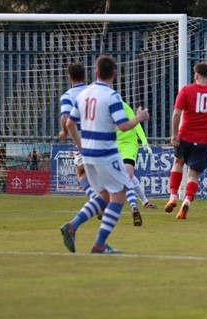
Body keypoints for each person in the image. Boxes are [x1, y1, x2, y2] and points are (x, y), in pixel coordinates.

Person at [61, 55, 149, 254]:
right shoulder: (112, 97)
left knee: (103, 196)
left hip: (88, 154)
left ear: (95, 73)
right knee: (119, 196)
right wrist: (139, 117)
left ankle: (72, 226)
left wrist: (80, 146)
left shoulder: (83, 95)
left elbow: (69, 124)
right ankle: (99, 244)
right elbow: (124, 125)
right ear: (115, 74)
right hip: (106, 153)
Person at [164, 62, 207, 220]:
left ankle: (173, 195)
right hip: (203, 141)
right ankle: (186, 200)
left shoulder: (186, 90)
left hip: (185, 136)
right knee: (193, 175)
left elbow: (176, 114)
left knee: (178, 163)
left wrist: (174, 134)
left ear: (196, 76)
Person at [58, 62, 98, 201]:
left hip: (84, 140)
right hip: (103, 138)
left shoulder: (67, 96)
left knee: (80, 172)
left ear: (69, 78)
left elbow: (65, 118)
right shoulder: (94, 91)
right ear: (84, 75)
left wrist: (64, 132)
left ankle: (95, 199)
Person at [118, 101, 157, 227]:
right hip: (112, 144)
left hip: (128, 144)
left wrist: (144, 141)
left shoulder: (122, 105)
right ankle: (145, 202)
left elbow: (136, 124)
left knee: (127, 174)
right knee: (123, 176)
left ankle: (134, 207)